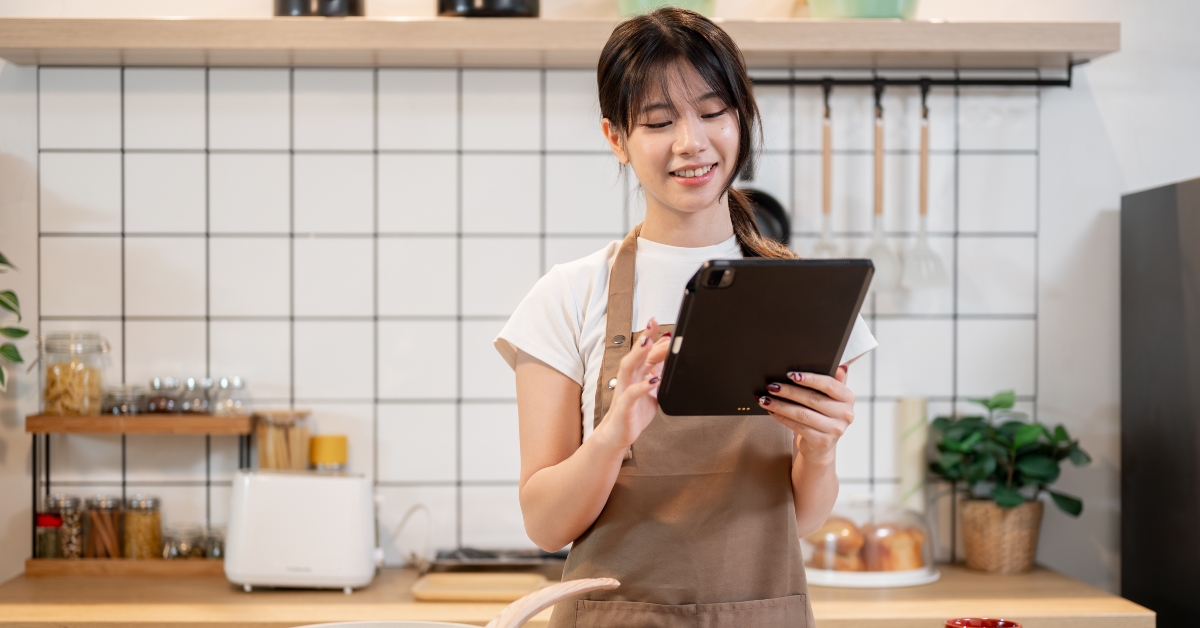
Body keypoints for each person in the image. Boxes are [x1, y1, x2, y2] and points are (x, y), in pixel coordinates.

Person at [494, 7, 877, 626]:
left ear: (741, 119)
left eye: (712, 112)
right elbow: (545, 523)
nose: (690, 142)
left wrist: (822, 449)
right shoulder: (567, 297)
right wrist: (615, 433)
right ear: (616, 138)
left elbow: (798, 522)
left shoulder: (806, 296)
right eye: (658, 121)